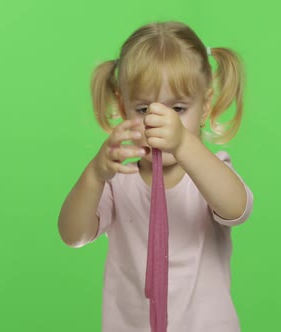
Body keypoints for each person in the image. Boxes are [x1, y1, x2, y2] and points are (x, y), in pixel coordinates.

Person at [58, 21, 254, 332]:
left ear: (204, 106)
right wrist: (95, 174)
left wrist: (184, 143)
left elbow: (237, 208)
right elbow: (73, 235)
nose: (160, 123)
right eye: (144, 108)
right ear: (122, 106)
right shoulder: (118, 179)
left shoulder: (209, 172)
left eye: (177, 109)